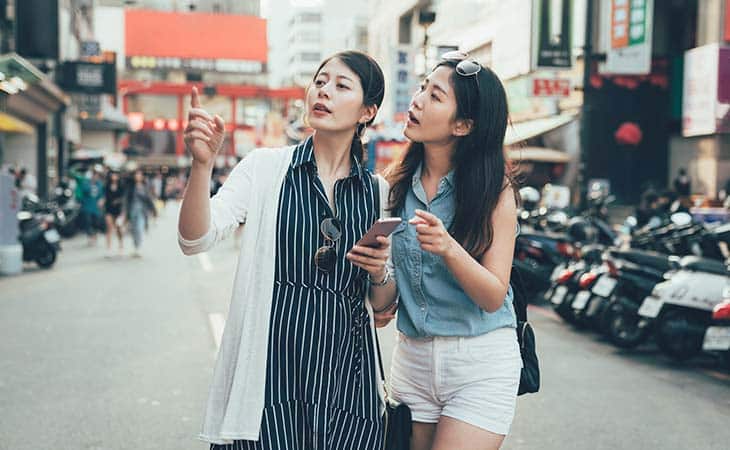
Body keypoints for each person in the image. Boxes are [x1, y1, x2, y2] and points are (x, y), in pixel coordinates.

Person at [177, 51, 396, 449]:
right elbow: (195, 240)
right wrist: (201, 167)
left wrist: (380, 272)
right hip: (272, 372)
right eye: (320, 81)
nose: (324, 91)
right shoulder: (265, 168)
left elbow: (382, 306)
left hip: (348, 378)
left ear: (368, 111)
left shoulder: (378, 194)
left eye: (341, 85)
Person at [378, 51, 521, 450]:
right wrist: (376, 275)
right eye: (422, 87)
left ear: (463, 125)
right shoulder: (393, 189)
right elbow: (384, 304)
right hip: (412, 362)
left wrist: (449, 249)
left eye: (435, 95)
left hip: (480, 362)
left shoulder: (495, 193)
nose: (418, 100)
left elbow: (494, 295)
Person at [124, 169, 156, 257]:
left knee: (139, 228)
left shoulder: (145, 186)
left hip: (142, 211)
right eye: (136, 174)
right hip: (132, 211)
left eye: (139, 174)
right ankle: (135, 246)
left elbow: (149, 199)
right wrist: (124, 211)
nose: (138, 176)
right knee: (133, 229)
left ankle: (138, 247)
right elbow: (126, 199)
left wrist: (153, 210)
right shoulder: (130, 186)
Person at [104, 171, 126, 257]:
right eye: (112, 175)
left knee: (118, 228)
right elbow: (105, 196)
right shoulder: (107, 186)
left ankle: (121, 246)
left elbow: (124, 198)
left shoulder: (121, 186)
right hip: (109, 209)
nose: (114, 176)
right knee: (109, 228)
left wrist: (119, 202)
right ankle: (108, 248)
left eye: (116, 175)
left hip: (118, 210)